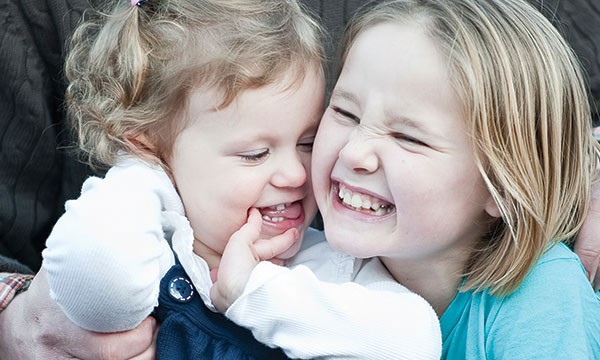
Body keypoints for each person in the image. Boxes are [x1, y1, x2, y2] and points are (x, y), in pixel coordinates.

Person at [40, 0, 442, 359]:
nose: (296, 173)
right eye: (255, 154)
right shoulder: (146, 250)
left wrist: (251, 292)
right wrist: (142, 172)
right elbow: (99, 290)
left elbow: (413, 344)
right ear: (153, 149)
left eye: (307, 141)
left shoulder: (328, 270)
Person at [210, 0, 600, 359]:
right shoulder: (300, 267)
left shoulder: (544, 299)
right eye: (346, 112)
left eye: (407, 137)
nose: (353, 152)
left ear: (503, 185)